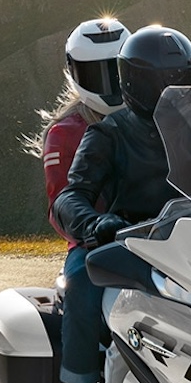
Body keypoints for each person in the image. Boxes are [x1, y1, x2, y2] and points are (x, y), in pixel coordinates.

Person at [52, 25, 191, 383]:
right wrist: (97, 225)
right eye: (161, 82)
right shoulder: (101, 134)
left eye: (181, 80)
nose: (173, 90)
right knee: (82, 279)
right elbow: (68, 197)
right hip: (125, 241)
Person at [35, 19, 130, 241]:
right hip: (98, 243)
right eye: (96, 74)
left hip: (165, 239)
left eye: (116, 72)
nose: (109, 83)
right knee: (79, 275)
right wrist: (92, 225)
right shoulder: (64, 133)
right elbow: (61, 203)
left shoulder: (154, 114)